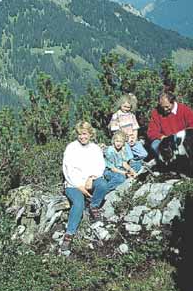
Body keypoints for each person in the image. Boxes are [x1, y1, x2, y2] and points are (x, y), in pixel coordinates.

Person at [60, 121, 122, 251]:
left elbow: (100, 166)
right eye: (80, 134)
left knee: (103, 185)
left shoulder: (95, 148)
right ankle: (69, 234)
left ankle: (94, 206)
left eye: (85, 134)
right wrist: (79, 186)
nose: (82, 137)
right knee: (78, 203)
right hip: (73, 184)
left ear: (90, 134)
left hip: (89, 180)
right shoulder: (71, 147)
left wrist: (92, 177)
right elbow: (67, 169)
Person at [146, 90, 193, 159]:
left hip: (183, 140)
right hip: (166, 140)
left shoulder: (184, 109)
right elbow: (151, 132)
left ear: (172, 102)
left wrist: (181, 135)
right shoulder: (156, 113)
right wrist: (162, 137)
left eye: (167, 107)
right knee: (155, 145)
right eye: (162, 107)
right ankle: (167, 164)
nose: (164, 109)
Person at [109, 94, 148, 160]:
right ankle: (128, 165)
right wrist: (125, 139)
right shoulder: (116, 116)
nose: (126, 109)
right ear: (120, 105)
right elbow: (115, 131)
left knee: (144, 154)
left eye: (128, 107)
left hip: (132, 139)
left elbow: (135, 128)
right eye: (125, 106)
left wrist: (134, 138)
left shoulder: (132, 116)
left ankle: (135, 163)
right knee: (129, 156)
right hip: (123, 140)